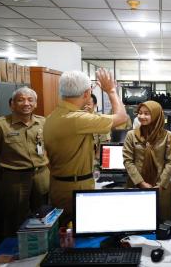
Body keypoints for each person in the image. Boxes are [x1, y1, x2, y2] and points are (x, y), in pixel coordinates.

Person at [44, 69, 128, 226]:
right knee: (78, 232)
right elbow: (122, 117)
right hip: (74, 187)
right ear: (87, 93)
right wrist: (111, 90)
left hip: (60, 183)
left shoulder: (53, 116)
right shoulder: (77, 119)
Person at [0, 87, 49, 237]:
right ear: (12, 104)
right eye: (21, 100)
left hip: (41, 176)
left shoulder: (43, 122)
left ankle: (44, 248)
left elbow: (47, 147)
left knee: (43, 214)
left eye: (30, 100)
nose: (26, 103)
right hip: (15, 179)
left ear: (35, 104)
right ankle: (14, 254)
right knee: (15, 219)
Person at [123, 101, 171, 221]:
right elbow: (128, 161)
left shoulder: (168, 136)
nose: (142, 116)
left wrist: (160, 185)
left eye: (147, 113)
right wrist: (141, 183)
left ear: (156, 115)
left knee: (161, 222)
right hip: (136, 185)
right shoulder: (131, 135)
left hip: (161, 187)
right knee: (137, 221)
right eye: (140, 113)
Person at [84, 94, 111, 170]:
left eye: (88, 104)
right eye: (83, 104)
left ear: (95, 105)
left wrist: (96, 160)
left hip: (93, 159)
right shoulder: (76, 118)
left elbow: (105, 142)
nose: (85, 106)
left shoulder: (100, 120)